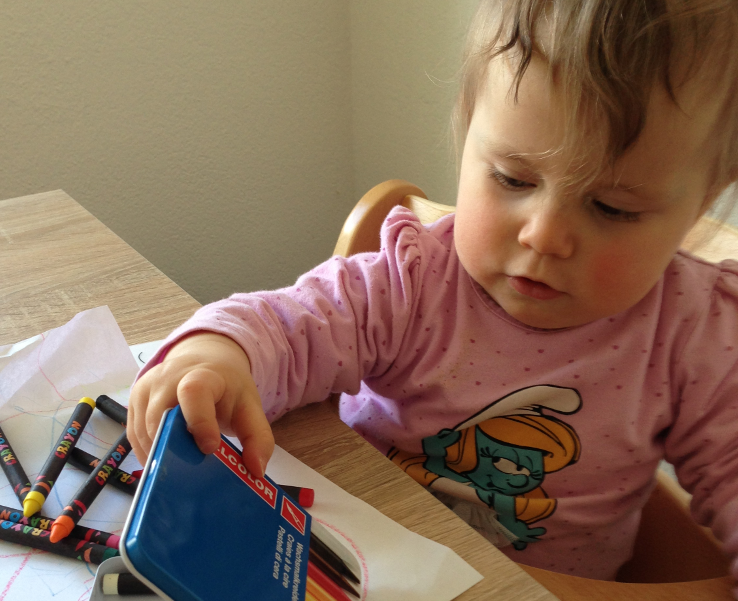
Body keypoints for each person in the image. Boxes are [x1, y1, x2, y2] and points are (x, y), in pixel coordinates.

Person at [128, 0, 738, 582]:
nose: (544, 235)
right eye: (513, 178)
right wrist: (218, 354)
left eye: (612, 208)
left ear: (704, 200)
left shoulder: (699, 338)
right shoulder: (413, 283)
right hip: (358, 562)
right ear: (467, 132)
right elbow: (289, 327)